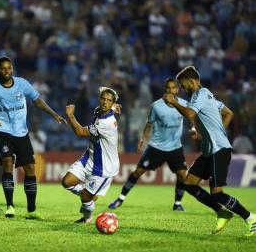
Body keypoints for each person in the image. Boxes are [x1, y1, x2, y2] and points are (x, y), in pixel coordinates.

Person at [162, 65, 255, 236]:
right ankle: (222, 212)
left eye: (183, 85)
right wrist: (214, 132)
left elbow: (190, 114)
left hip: (219, 150)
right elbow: (228, 113)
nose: (182, 89)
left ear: (193, 81)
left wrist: (174, 102)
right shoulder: (207, 96)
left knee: (217, 193)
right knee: (188, 184)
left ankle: (251, 218)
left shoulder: (201, 94)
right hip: (209, 151)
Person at [0, 56, 66, 219]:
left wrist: (54, 115)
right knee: (8, 163)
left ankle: (32, 210)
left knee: (30, 168)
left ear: (12, 69)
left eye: (9, 68)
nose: (6, 71)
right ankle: (10, 206)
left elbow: (38, 101)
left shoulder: (22, 83)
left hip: (21, 132)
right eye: (3, 68)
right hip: (1, 130)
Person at [108, 78, 191, 212]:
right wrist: (143, 138)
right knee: (138, 172)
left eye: (173, 88)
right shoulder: (156, 106)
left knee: (182, 175)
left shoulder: (184, 104)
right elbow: (149, 124)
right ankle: (120, 198)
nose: (171, 90)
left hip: (175, 147)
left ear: (178, 89)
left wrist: (192, 129)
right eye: (168, 88)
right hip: (157, 147)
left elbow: (190, 117)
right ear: (165, 89)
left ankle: (177, 204)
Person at [62, 87, 120, 223]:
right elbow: (105, 109)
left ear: (112, 103)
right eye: (103, 99)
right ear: (99, 99)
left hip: (103, 168)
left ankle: (86, 218)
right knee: (66, 182)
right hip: (89, 158)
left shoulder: (107, 124)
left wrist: (70, 116)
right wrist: (113, 107)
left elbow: (80, 132)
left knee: (85, 198)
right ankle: (89, 195)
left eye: (109, 101)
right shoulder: (99, 111)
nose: (105, 102)